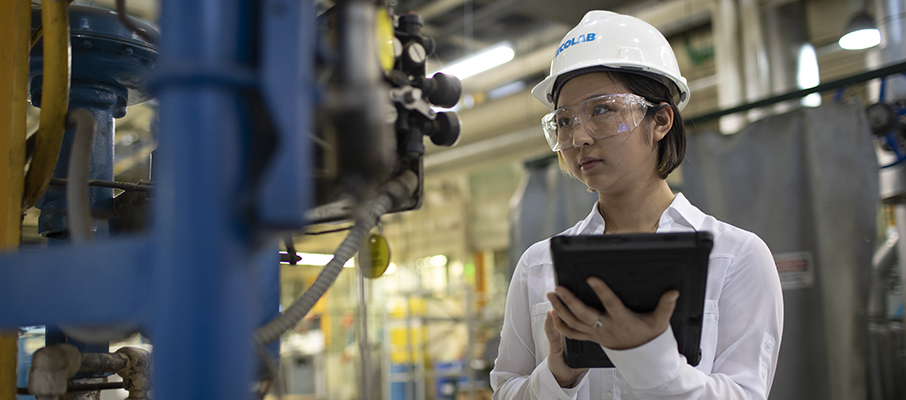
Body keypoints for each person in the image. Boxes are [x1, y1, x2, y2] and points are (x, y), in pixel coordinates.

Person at [489, 10, 784, 400]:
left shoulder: (735, 256)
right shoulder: (538, 265)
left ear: (660, 120)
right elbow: (506, 390)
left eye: (601, 110)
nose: (578, 137)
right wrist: (557, 376)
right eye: (564, 121)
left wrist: (648, 356)